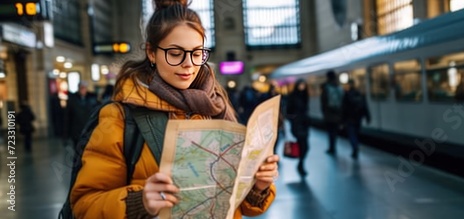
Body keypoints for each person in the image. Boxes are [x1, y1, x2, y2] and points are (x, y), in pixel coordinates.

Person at [70, 1, 279, 218]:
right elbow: (84, 205)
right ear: (151, 52)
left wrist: (259, 186)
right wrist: (139, 202)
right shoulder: (121, 117)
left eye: (197, 53)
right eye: (176, 53)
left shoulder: (217, 106)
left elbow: (239, 204)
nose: (188, 64)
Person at [341, 80, 371, 159]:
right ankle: (356, 145)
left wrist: (342, 120)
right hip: (358, 117)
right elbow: (365, 106)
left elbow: (344, 108)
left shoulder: (347, 95)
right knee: (356, 133)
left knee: (351, 134)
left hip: (349, 118)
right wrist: (367, 117)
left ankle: (355, 147)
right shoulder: (360, 94)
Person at [286, 79, 310, 176]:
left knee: (305, 146)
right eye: (301, 85)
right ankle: (301, 165)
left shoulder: (305, 96)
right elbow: (288, 111)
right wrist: (294, 118)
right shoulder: (293, 96)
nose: (302, 87)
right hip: (297, 124)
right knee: (303, 145)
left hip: (304, 123)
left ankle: (301, 163)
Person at [64, 80, 99, 147]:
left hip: (89, 131)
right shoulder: (72, 100)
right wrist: (66, 135)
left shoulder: (92, 99)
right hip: (76, 131)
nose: (83, 90)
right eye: (81, 88)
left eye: (84, 88)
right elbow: (67, 117)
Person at [320, 70, 343, 155]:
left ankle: (331, 147)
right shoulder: (339, 87)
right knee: (335, 131)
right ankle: (334, 147)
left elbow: (324, 102)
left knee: (330, 131)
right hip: (338, 114)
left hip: (329, 114)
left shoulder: (326, 88)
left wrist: (324, 113)